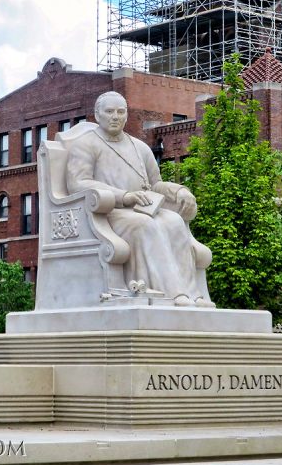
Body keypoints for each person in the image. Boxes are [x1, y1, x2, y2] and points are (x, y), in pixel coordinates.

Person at [66, 91, 214, 307]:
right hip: (109, 213)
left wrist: (180, 191)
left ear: (126, 115)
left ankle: (192, 294)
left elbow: (155, 184)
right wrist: (124, 197)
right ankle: (171, 293)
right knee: (144, 226)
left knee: (173, 221)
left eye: (120, 111)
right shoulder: (86, 145)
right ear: (97, 115)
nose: (115, 116)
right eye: (109, 112)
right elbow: (78, 183)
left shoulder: (139, 147)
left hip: (145, 208)